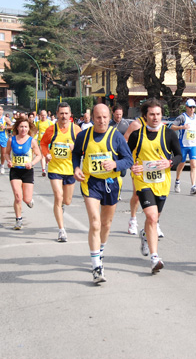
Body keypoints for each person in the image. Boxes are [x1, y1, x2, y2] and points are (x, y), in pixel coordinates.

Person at [72, 104, 133, 283]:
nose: (102, 121)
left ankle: (101, 252)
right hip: (90, 183)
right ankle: (96, 266)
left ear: (110, 117)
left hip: (111, 183)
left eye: (105, 117)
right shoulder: (84, 136)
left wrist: (115, 164)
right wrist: (76, 168)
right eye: (98, 117)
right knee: (95, 222)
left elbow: (128, 159)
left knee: (106, 224)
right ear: (93, 118)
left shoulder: (116, 137)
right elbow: (76, 153)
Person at [128, 98, 182, 274]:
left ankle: (144, 235)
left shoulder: (168, 134)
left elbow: (180, 156)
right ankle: (154, 257)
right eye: (151, 114)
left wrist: (169, 163)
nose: (155, 117)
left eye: (158, 114)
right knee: (151, 217)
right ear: (145, 116)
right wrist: (132, 166)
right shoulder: (137, 135)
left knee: (154, 218)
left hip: (162, 183)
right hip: (143, 182)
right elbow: (126, 156)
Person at [40, 102, 82, 242]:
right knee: (58, 196)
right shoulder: (51, 130)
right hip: (55, 168)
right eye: (61, 113)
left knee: (67, 200)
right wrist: (46, 154)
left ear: (70, 115)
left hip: (70, 169)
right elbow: (43, 144)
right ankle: (61, 230)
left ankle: (62, 205)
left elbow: (85, 147)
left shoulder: (76, 130)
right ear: (57, 114)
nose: (64, 116)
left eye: (66, 113)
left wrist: (75, 147)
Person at [4, 117, 42, 230]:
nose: (23, 129)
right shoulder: (11, 140)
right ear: (17, 128)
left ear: (28, 128)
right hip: (15, 171)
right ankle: (18, 220)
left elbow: (39, 155)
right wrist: (9, 161)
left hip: (27, 172)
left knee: (26, 199)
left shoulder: (31, 141)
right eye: (21, 126)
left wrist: (32, 163)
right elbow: (6, 153)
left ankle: (29, 201)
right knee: (17, 196)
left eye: (25, 127)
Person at [170, 98, 196, 195]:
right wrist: (182, 127)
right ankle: (177, 180)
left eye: (193, 107)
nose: (192, 109)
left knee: (193, 165)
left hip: (193, 145)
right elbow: (172, 127)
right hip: (183, 144)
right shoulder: (182, 117)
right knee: (181, 164)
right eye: (190, 107)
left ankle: (193, 186)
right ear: (186, 107)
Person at [36, 110, 53, 176]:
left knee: (48, 155)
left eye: (44, 115)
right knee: (42, 155)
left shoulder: (50, 123)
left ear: (47, 115)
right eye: (42, 115)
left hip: (48, 141)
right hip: (41, 141)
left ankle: (47, 162)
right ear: (40, 115)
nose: (43, 116)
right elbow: (36, 130)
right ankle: (43, 169)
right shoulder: (38, 123)